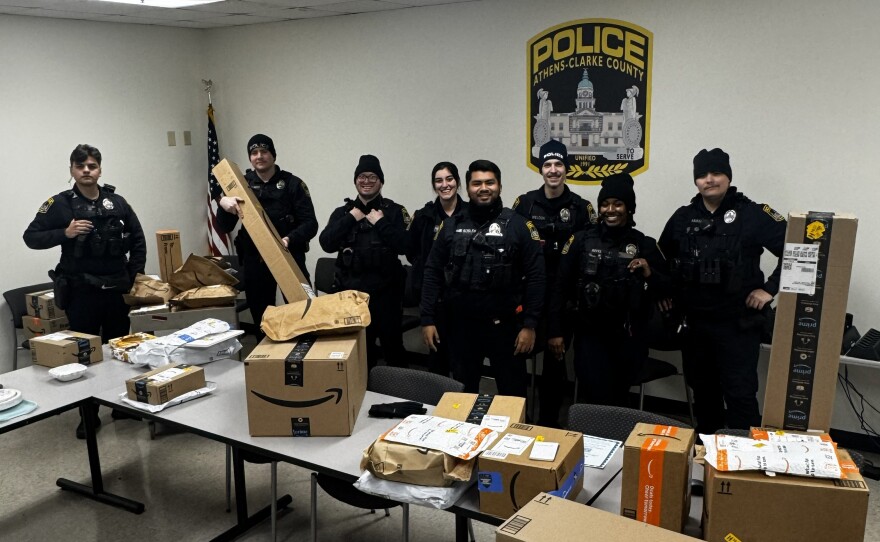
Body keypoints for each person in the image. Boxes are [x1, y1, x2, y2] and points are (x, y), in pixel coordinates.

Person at [658, 148, 786, 435]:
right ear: (696, 181)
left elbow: (797, 250)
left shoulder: (752, 213)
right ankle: (707, 460)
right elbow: (661, 258)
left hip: (737, 324)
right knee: (703, 392)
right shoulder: (683, 217)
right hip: (695, 325)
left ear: (728, 177)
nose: (709, 180)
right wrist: (664, 292)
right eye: (702, 175)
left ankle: (746, 464)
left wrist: (769, 290)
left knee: (739, 394)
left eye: (716, 173)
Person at [24, 144, 147, 438]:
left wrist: (133, 276)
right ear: (72, 171)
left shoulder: (116, 202)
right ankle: (88, 414)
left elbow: (139, 240)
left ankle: (123, 406)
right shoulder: (60, 204)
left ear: (100, 169)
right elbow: (31, 236)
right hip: (81, 293)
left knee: (120, 350)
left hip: (115, 290)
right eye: (80, 167)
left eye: (92, 166)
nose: (86, 171)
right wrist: (64, 233)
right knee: (85, 356)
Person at [420, 159, 545, 397]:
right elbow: (432, 272)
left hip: (506, 327)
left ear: (499, 186)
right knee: (463, 396)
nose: (483, 188)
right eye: (477, 183)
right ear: (467, 188)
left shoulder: (519, 226)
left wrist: (530, 325)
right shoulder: (451, 225)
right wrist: (427, 318)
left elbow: (537, 278)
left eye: (490, 182)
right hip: (462, 326)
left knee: (512, 395)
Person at [548, 173, 665, 407]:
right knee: (594, 396)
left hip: (628, 337)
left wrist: (649, 271)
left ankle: (619, 441)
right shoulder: (581, 241)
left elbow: (668, 287)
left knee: (620, 399)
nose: (611, 209)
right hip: (590, 335)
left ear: (629, 208)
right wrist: (555, 330)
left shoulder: (644, 244)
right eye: (605, 204)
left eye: (618, 204)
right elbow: (560, 286)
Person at [512, 140, 595, 426]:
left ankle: (549, 423)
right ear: (541, 169)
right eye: (548, 164)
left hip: (564, 297)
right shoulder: (525, 203)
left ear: (566, 169)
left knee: (555, 364)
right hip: (530, 291)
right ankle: (517, 418)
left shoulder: (581, 208)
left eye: (559, 164)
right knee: (516, 358)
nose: (553, 170)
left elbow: (588, 251)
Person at [217, 134, 318, 330]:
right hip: (256, 260)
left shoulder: (292, 184)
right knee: (262, 318)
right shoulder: (241, 185)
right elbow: (224, 227)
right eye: (254, 153)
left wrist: (289, 239)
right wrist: (223, 203)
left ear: (273, 155)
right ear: (250, 158)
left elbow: (310, 224)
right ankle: (266, 358)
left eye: (264, 151)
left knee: (301, 313)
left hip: (290, 255)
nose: (259, 156)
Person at [319, 154, 410, 369]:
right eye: (361, 176)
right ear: (355, 181)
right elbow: (326, 243)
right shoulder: (343, 212)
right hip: (352, 296)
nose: (366, 181)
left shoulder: (395, 211)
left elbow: (407, 246)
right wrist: (351, 218)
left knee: (394, 351)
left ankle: (398, 398)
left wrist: (381, 223)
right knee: (359, 353)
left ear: (381, 181)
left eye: (372, 176)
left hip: (386, 295)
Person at [406, 162, 467, 376]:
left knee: (463, 363)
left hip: (464, 299)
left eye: (449, 179)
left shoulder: (471, 214)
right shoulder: (424, 216)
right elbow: (411, 251)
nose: (445, 185)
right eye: (439, 181)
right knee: (437, 362)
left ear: (458, 182)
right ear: (434, 186)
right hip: (435, 298)